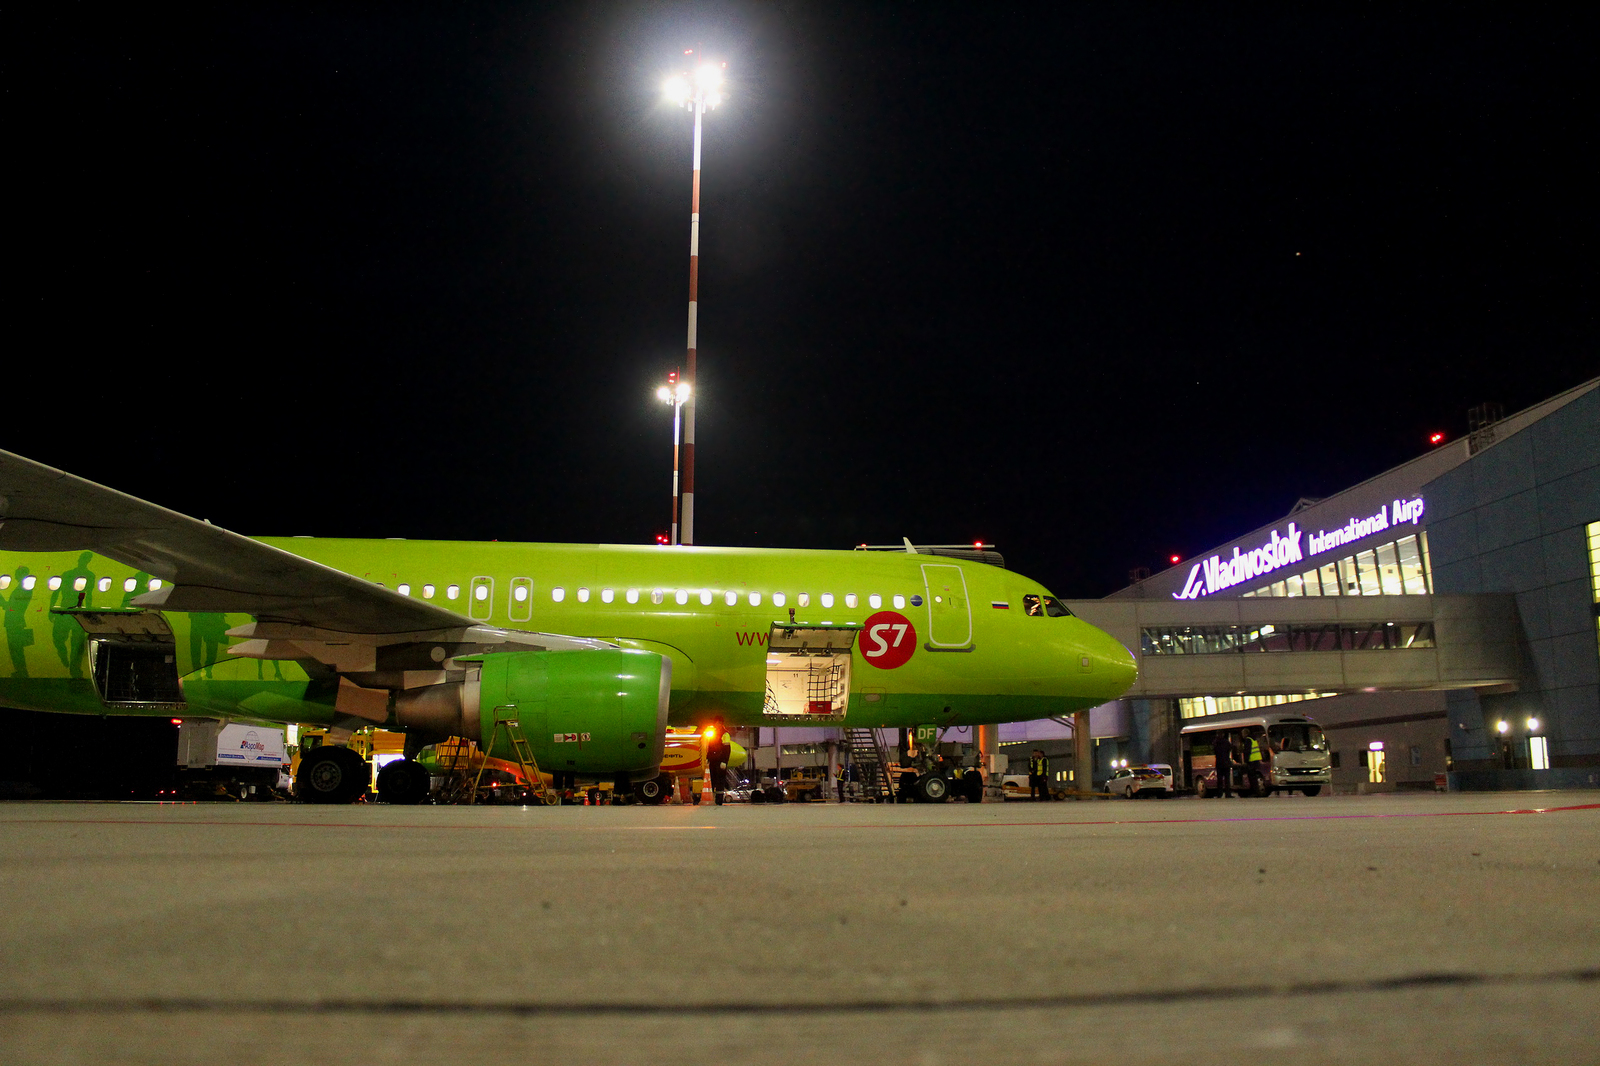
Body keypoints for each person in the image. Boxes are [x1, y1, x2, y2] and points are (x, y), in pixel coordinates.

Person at [1244, 727, 1269, 795]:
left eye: (1243, 733)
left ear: (1245, 733)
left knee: (1252, 778)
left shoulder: (1248, 740)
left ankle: (1254, 791)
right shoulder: (1254, 739)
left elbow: (1247, 751)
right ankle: (1256, 791)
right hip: (1256, 760)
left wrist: (1246, 761)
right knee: (1254, 776)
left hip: (1251, 760)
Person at [1213, 731, 1235, 797]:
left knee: (1219, 780)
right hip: (1226, 762)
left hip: (1219, 763)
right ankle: (1228, 794)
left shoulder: (1215, 742)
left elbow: (1215, 751)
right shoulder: (1226, 742)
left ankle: (1219, 794)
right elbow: (1230, 748)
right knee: (1227, 780)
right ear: (1223, 734)